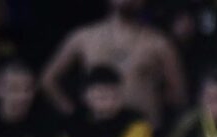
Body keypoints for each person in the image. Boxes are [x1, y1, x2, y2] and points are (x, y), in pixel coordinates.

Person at [40, 0, 186, 129]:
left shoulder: (159, 43)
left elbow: (178, 96)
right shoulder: (83, 38)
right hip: (94, 133)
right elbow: (48, 80)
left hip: (145, 135)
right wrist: (73, 114)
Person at [51, 64, 156, 137]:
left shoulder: (136, 123)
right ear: (85, 96)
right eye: (102, 96)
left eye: (114, 95)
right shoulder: (71, 126)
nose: (109, 102)